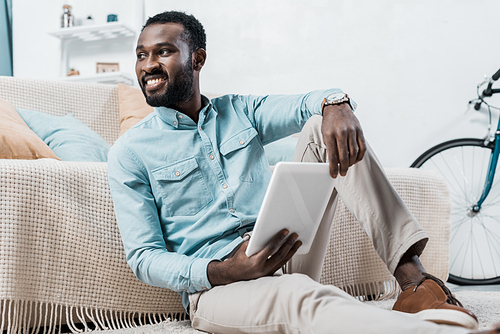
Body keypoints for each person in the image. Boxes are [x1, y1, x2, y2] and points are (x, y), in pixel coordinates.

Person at [107, 10, 495, 334]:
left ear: (198, 59)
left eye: (164, 51)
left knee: (319, 126)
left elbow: (307, 104)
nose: (148, 65)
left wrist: (336, 104)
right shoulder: (129, 152)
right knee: (300, 296)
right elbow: (144, 257)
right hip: (220, 286)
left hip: (283, 249)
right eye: (141, 55)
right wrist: (225, 270)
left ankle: (415, 283)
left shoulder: (239, 110)